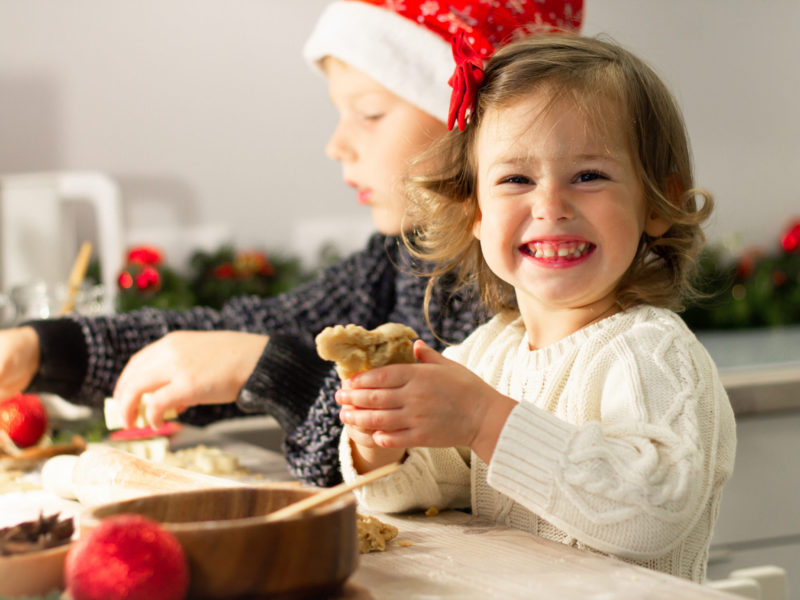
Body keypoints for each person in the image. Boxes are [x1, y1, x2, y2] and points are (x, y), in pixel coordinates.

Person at [0, 1, 583, 487]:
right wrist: (45, 349)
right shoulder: (402, 261)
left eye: (370, 113)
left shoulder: (528, 283)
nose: (337, 145)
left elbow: (412, 447)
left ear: (474, 124)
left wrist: (262, 366)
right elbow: (257, 324)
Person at [335, 33, 736, 581]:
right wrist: (380, 441)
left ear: (657, 203)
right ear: (473, 210)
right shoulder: (487, 353)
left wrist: (483, 419)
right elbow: (426, 489)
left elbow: (651, 512)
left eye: (589, 176)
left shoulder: (653, 351)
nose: (550, 206)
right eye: (515, 179)